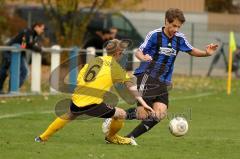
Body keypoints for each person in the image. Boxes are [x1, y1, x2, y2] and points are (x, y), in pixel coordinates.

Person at [103, 8, 218, 142]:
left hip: (163, 80)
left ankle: (129, 138)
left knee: (160, 113)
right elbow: (138, 52)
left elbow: (191, 50)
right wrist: (143, 57)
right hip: (147, 75)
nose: (176, 29)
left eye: (178, 27)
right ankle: (115, 116)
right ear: (166, 22)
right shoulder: (154, 35)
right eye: (174, 25)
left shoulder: (179, 38)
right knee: (143, 114)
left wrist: (206, 53)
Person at [35, 39, 154, 145]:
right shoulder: (115, 67)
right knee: (121, 114)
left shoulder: (96, 60)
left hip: (77, 98)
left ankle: (42, 137)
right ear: (118, 53)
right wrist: (143, 103)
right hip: (92, 104)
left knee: (70, 114)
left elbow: (81, 74)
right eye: (122, 53)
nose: (122, 55)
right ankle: (111, 137)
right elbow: (130, 86)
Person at [0, 22, 46, 93]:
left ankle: (13, 89)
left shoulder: (35, 35)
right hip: (9, 52)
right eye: (42, 29)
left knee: (24, 72)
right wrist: (34, 47)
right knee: (5, 71)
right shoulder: (27, 32)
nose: (42, 31)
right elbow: (24, 45)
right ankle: (6, 89)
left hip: (19, 53)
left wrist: (36, 47)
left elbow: (32, 44)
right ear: (36, 27)